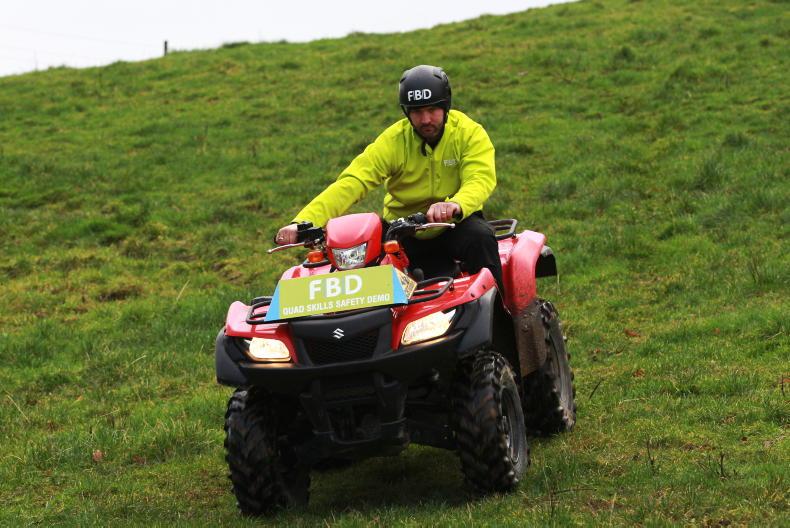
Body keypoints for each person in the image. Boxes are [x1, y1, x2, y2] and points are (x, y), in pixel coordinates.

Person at [275, 64, 503, 291]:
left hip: (454, 223)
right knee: (360, 270)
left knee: (481, 239)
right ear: (407, 112)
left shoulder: (469, 133)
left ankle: (500, 316)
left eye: (432, 110)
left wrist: (455, 204)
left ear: (446, 107)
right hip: (402, 230)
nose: (425, 120)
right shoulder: (393, 140)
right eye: (416, 112)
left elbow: (480, 178)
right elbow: (353, 182)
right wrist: (304, 223)